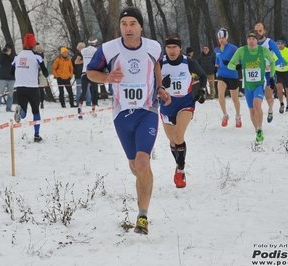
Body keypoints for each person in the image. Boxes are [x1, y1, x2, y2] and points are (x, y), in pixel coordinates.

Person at [86, 6, 171, 235]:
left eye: (133, 23)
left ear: (141, 26)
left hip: (147, 111)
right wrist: (106, 77)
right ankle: (146, 181)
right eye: (124, 24)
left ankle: (142, 217)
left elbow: (156, 65)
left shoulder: (153, 47)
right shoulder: (108, 49)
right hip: (121, 115)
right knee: (135, 166)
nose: (128, 28)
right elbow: (90, 72)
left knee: (143, 163)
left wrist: (160, 87)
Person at [160, 33, 207, 188]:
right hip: (167, 106)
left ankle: (180, 170)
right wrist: (160, 84)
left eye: (175, 47)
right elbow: (150, 83)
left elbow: (203, 76)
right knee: (173, 141)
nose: (172, 50)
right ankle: (179, 163)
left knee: (178, 135)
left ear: (180, 48)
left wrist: (201, 91)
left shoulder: (189, 63)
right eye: (168, 47)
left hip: (185, 104)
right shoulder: (160, 64)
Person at [228, 30, 275, 144]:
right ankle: (257, 132)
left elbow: (272, 62)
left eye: (253, 39)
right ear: (247, 40)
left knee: (257, 105)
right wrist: (237, 67)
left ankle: (260, 128)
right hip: (248, 85)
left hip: (259, 83)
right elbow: (230, 64)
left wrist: (272, 77)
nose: (251, 41)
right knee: (252, 111)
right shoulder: (241, 50)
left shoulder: (263, 50)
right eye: (249, 39)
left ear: (257, 40)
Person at [11, 33, 49, 142]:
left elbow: (11, 72)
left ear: (24, 44)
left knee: (23, 111)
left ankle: (20, 112)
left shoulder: (17, 57)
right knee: (35, 111)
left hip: (20, 87)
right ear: (33, 45)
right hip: (32, 87)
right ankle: (36, 135)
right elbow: (45, 73)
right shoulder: (37, 56)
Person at [254, 22, 287, 123]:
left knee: (268, 96)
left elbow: (281, 59)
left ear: (264, 31)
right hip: (257, 74)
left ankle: (270, 110)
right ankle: (257, 115)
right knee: (256, 97)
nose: (258, 33)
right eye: (256, 31)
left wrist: (270, 65)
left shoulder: (270, 43)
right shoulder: (252, 43)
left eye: (260, 31)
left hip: (269, 73)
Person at [214, 28, 242, 128]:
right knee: (220, 94)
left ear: (226, 38)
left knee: (235, 99)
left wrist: (231, 63)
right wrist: (216, 66)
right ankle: (225, 115)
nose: (221, 40)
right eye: (220, 38)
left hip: (233, 76)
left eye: (223, 38)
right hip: (222, 75)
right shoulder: (216, 49)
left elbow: (240, 62)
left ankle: (238, 116)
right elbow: (217, 59)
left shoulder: (233, 48)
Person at [78, 37, 100, 119]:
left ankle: (79, 108)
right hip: (93, 73)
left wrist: (85, 60)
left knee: (83, 92)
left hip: (84, 73)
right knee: (94, 91)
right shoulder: (96, 50)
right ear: (95, 43)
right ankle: (93, 110)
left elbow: (76, 61)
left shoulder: (83, 50)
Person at [275, 37, 288, 114]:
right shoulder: (274, 51)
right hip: (277, 72)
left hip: (286, 72)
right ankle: (281, 104)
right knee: (279, 89)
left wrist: (287, 64)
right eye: (278, 44)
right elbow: (272, 61)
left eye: (281, 44)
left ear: (284, 44)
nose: (280, 45)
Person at [0, 43, 15, 113]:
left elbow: (15, 62)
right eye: (7, 49)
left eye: (9, 49)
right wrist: (3, 54)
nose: (8, 50)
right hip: (3, 77)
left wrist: (10, 55)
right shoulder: (3, 55)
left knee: (10, 95)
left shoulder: (14, 55)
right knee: (0, 93)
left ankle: (8, 108)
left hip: (12, 77)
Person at [72, 42, 91, 106]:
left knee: (87, 90)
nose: (83, 48)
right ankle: (78, 103)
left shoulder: (86, 55)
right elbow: (73, 65)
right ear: (78, 48)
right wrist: (75, 72)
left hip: (86, 74)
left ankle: (88, 102)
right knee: (79, 90)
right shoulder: (76, 56)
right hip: (78, 75)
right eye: (82, 47)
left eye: (84, 47)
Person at [35, 44, 48, 109]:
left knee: (41, 90)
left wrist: (41, 72)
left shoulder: (44, 58)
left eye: (40, 51)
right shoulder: (34, 57)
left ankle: (42, 102)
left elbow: (44, 66)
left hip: (42, 75)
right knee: (36, 90)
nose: (39, 52)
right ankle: (37, 102)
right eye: (38, 51)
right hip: (35, 75)